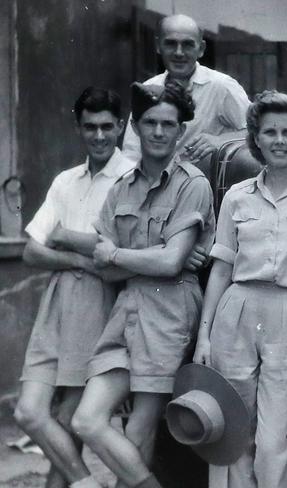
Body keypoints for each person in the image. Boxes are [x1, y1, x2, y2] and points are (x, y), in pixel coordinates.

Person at [193, 90, 287, 488]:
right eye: (269, 132)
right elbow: (221, 268)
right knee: (231, 425)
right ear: (256, 139)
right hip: (237, 311)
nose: (279, 140)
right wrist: (205, 335)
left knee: (281, 435)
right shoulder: (237, 198)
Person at [70, 80, 216, 488]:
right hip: (127, 310)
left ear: (181, 131)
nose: (157, 132)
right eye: (150, 122)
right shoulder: (120, 190)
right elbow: (106, 269)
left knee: (140, 430)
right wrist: (154, 259)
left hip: (170, 311)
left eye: (167, 124)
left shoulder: (193, 184)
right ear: (135, 126)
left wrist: (122, 256)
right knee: (88, 419)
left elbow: (169, 265)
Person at [13, 87, 134, 488]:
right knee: (30, 412)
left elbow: (119, 252)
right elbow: (32, 251)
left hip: (100, 303)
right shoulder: (66, 181)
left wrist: (65, 237)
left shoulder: (131, 178)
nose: (98, 136)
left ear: (119, 126)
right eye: (89, 127)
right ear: (78, 128)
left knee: (68, 416)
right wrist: (81, 257)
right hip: (57, 303)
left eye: (106, 127)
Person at [121, 13, 250, 164]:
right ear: (158, 46)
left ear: (201, 48)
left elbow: (257, 130)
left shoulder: (221, 86)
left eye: (188, 44)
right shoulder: (148, 89)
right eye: (170, 43)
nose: (179, 52)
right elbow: (131, 154)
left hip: (205, 183)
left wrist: (220, 140)